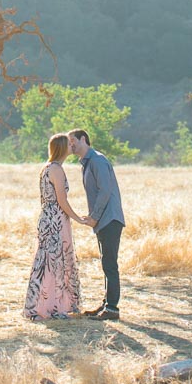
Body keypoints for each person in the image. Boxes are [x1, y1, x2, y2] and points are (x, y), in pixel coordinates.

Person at [23, 133, 84, 320]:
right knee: (55, 260)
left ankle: (49, 304)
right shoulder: (56, 169)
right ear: (62, 147)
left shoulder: (47, 168)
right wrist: (78, 218)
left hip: (49, 217)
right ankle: (52, 306)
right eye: (69, 144)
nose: (71, 146)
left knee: (49, 260)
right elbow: (61, 200)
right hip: (55, 219)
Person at [67, 128, 124, 321]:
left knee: (110, 264)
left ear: (84, 139)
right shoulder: (87, 163)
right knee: (106, 262)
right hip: (103, 220)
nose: (71, 145)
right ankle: (106, 304)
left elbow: (105, 191)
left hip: (109, 219)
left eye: (73, 141)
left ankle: (113, 309)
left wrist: (94, 216)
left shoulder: (97, 160)